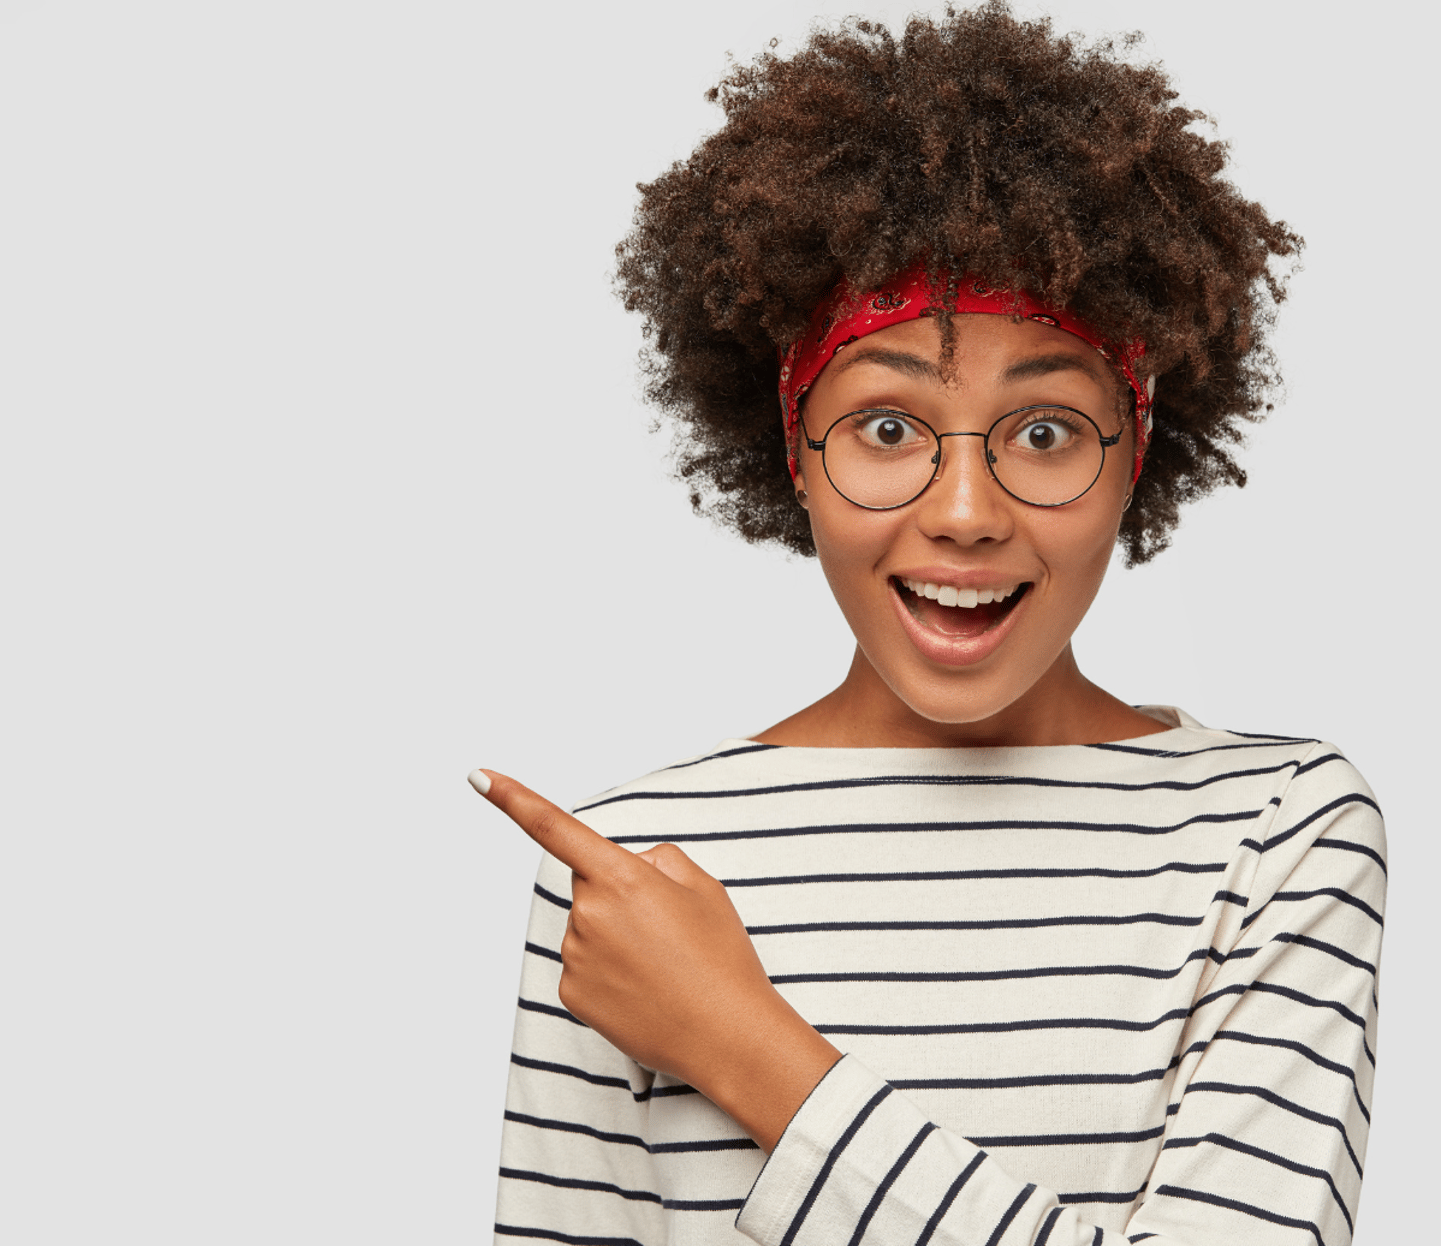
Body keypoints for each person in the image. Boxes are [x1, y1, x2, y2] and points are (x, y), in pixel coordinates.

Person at [469, 6, 1384, 1245]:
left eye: (1047, 432)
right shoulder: (635, 869)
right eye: (889, 429)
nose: (965, 513)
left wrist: (750, 1050)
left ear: (1140, 454)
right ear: (795, 449)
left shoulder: (1272, 830)